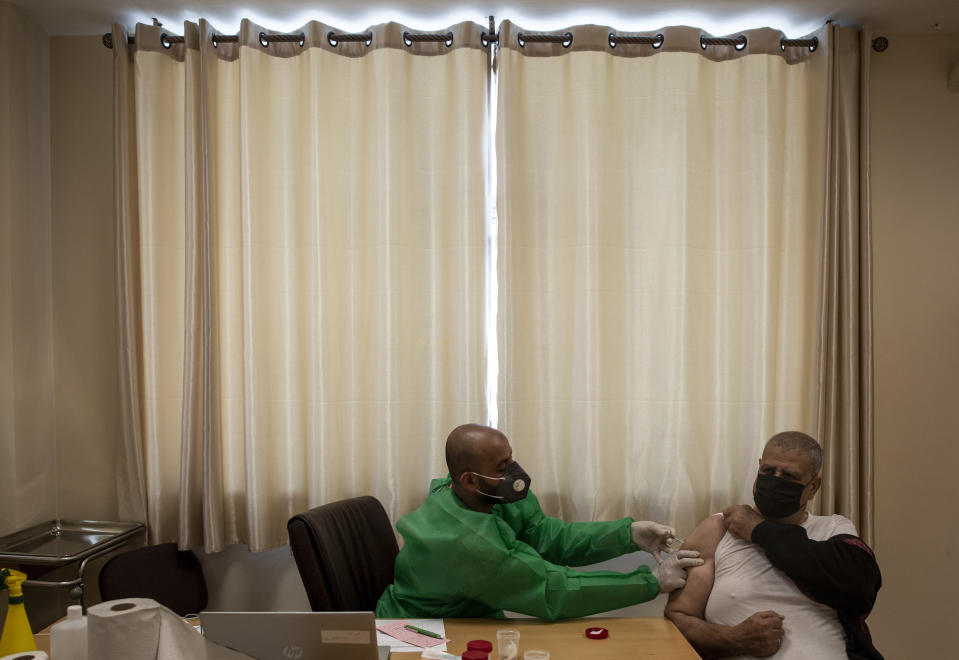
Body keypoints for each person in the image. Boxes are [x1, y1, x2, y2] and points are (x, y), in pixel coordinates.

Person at [376, 423, 703, 620]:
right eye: (503, 466)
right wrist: (652, 582)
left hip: (468, 617)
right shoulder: (465, 542)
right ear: (469, 480)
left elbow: (547, 537)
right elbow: (551, 589)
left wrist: (628, 533)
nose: (514, 473)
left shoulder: (481, 496)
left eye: (511, 458)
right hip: (421, 632)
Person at [665, 431, 882, 659]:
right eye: (768, 471)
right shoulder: (719, 530)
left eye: (788, 476)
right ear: (758, 468)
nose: (776, 480)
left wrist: (759, 530)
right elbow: (678, 617)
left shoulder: (833, 529)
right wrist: (734, 639)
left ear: (814, 486)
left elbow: (860, 589)